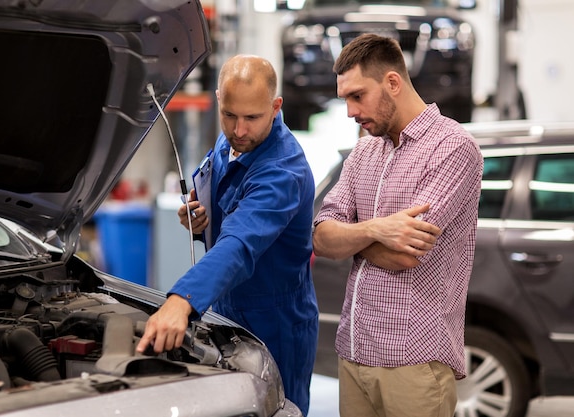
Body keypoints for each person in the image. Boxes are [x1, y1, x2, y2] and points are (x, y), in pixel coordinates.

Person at [136, 54, 319, 415]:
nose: (239, 130)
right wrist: (197, 216)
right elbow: (217, 196)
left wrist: (182, 299)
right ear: (219, 99)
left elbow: (240, 243)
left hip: (275, 321)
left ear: (275, 106)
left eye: (252, 118)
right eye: (230, 115)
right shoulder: (230, 143)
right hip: (224, 304)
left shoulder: (282, 171)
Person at [312, 33, 483, 417]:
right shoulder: (363, 151)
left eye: (357, 96)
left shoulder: (452, 147)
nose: (350, 112)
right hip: (354, 353)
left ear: (392, 82)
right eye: (346, 100)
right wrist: (375, 229)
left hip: (414, 362)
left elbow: (403, 253)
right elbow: (322, 237)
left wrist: (352, 238)